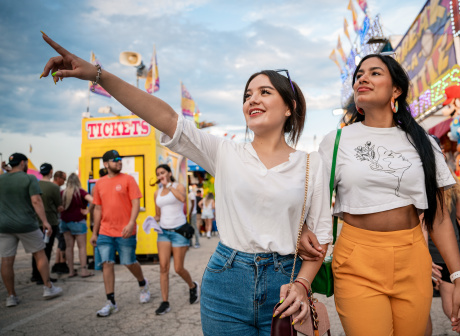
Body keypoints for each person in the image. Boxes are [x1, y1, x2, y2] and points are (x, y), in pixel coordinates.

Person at [41, 34, 332, 335]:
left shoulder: (311, 164)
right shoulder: (224, 152)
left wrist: (301, 283)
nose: (252, 100)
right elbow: (167, 118)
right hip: (226, 283)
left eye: (264, 92)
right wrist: (98, 75)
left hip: (284, 285)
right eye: (247, 95)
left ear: (289, 107)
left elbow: (321, 238)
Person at [301, 54, 460, 335]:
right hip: (357, 258)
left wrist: (459, 278)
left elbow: (440, 219)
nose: (363, 78)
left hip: (413, 256)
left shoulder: (424, 142)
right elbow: (313, 203)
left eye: (375, 73)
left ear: (396, 90)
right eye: (359, 75)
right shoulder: (337, 141)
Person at [90, 149, 150, 317]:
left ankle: (143, 283)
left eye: (120, 159)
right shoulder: (99, 184)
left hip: (125, 231)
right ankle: (110, 302)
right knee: (107, 263)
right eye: (115, 160)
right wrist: (94, 233)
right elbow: (98, 209)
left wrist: (131, 223)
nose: (119, 162)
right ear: (106, 164)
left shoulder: (128, 180)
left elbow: (136, 204)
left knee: (129, 262)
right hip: (105, 231)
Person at [0, 153, 63, 307]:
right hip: (26, 224)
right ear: (23, 163)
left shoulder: (1, 179)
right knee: (40, 253)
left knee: (7, 260)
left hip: (4, 225)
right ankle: (48, 287)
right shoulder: (29, 179)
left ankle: (11, 296)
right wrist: (45, 222)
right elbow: (36, 200)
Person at [425, 171, 460, 336]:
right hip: (449, 254)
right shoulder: (453, 185)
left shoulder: (423, 181)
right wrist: (458, 194)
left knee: (420, 311)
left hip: (427, 253)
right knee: (453, 308)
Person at [153, 164, 200, 315]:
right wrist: (152, 221)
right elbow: (158, 214)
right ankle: (165, 302)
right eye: (158, 174)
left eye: (163, 173)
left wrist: (169, 186)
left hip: (179, 231)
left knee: (178, 268)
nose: (160, 176)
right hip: (163, 232)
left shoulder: (178, 186)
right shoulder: (157, 193)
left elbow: (182, 199)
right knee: (163, 267)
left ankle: (192, 286)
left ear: (169, 173)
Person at [30, 163, 62, 285]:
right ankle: (44, 277)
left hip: (35, 221)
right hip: (50, 222)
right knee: (46, 250)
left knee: (36, 250)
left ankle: (35, 274)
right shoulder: (54, 187)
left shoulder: (34, 184)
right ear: (51, 172)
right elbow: (59, 206)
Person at [60, 173, 94, 278]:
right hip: (78, 222)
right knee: (82, 247)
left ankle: (71, 271)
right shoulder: (81, 192)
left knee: (69, 247)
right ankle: (84, 271)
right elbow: (93, 200)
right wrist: (88, 210)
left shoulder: (62, 193)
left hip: (65, 222)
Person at [52, 170, 69, 275]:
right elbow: (58, 206)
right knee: (63, 242)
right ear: (58, 178)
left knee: (60, 242)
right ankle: (62, 264)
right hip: (58, 220)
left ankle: (57, 264)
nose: (65, 181)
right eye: (64, 179)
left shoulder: (52, 188)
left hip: (53, 220)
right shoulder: (57, 190)